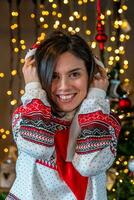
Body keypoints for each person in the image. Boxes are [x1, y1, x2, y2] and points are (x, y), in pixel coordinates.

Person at [6, 31, 121, 200]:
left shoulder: (103, 121)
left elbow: (89, 165)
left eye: (75, 74)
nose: (64, 86)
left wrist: (95, 98)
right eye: (53, 76)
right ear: (40, 77)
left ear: (91, 75)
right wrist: (34, 89)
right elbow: (39, 147)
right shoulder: (26, 116)